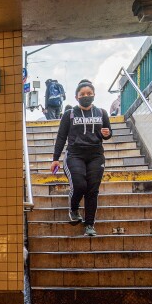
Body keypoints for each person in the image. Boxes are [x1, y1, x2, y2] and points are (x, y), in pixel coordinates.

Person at [49, 79, 113, 237]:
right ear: (76, 97)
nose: (86, 96)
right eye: (82, 94)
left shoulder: (102, 113)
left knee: (92, 190)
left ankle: (90, 225)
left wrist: (107, 134)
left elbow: (107, 133)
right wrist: (55, 158)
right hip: (75, 155)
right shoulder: (69, 114)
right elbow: (61, 137)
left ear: (94, 95)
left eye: (89, 94)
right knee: (79, 185)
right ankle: (73, 208)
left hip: (96, 155)